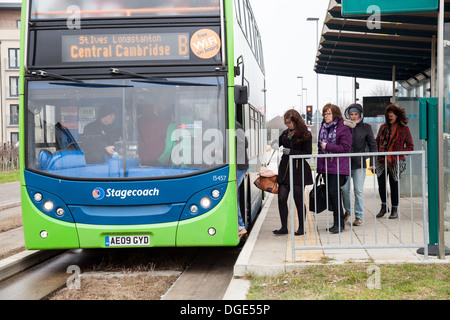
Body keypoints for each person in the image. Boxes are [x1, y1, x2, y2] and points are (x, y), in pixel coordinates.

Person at [274, 109, 313, 236]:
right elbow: (277, 143)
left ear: (296, 121)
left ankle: (302, 227)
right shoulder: (285, 133)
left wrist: (291, 152)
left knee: (298, 199)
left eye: (289, 123)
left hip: (298, 170)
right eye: (286, 123)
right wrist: (275, 144)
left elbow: (308, 154)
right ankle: (283, 227)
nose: (288, 126)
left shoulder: (306, 134)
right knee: (281, 198)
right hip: (285, 170)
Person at [317, 103, 352, 233]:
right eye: (325, 113)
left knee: (334, 193)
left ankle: (339, 223)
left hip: (338, 167)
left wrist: (328, 147)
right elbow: (320, 148)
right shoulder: (323, 127)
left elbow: (345, 148)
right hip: (327, 166)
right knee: (332, 195)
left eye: (329, 113)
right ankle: (337, 222)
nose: (326, 116)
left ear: (335, 114)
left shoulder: (343, 128)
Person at [375, 104, 414, 219]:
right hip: (382, 160)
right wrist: (376, 156)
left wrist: (398, 153)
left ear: (397, 116)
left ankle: (394, 209)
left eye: (392, 116)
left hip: (396, 161)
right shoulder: (382, 127)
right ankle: (383, 207)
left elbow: (410, 147)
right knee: (381, 184)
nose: (390, 117)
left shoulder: (404, 129)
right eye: (388, 116)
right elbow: (377, 142)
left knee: (394, 185)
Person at [341, 103, 377, 226]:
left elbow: (373, 145)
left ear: (360, 114)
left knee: (358, 190)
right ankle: (348, 211)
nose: (353, 117)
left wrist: (373, 162)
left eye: (356, 114)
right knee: (344, 189)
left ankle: (359, 216)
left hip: (359, 163)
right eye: (351, 114)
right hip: (345, 163)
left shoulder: (366, 127)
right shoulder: (345, 127)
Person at [235, 120, 248, 236]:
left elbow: (244, 144)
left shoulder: (234, 125)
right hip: (238, 166)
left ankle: (240, 225)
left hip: (238, 166)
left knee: (232, 194)